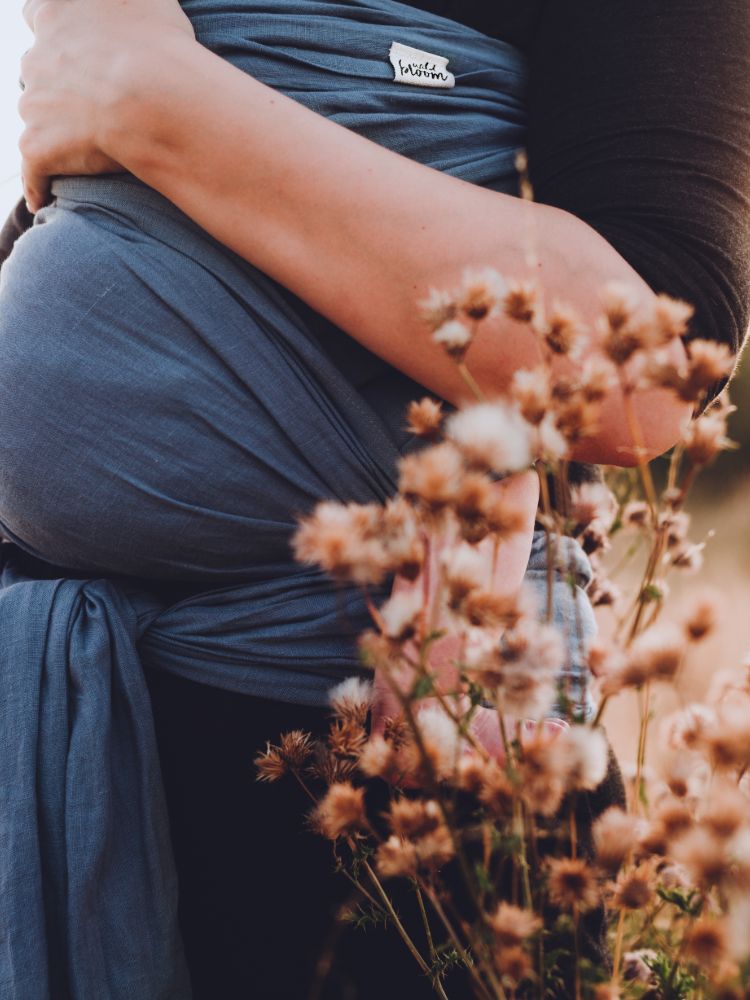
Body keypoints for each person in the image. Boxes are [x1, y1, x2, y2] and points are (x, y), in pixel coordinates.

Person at [1, 0, 748, 997]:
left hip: (386, 717)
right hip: (83, 700)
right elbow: (113, 252)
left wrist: (155, 99)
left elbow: (649, 368)